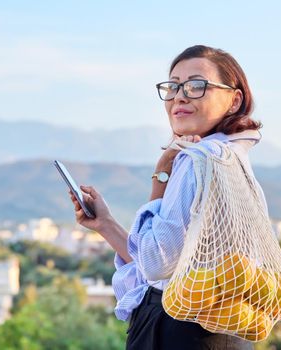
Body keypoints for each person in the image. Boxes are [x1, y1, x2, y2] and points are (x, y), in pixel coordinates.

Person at [70, 45, 265, 349]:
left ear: (234, 99)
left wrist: (160, 176)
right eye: (173, 86)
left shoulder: (199, 158)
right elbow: (171, 263)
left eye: (197, 85)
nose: (180, 96)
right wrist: (106, 225)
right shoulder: (233, 157)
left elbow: (156, 263)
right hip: (216, 333)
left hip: (179, 332)